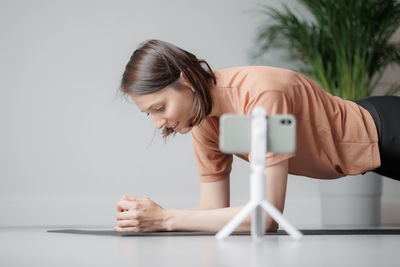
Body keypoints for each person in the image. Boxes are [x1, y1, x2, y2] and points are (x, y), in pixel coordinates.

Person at [114, 39, 400, 233]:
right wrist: (151, 217)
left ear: (186, 80)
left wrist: (165, 219)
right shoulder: (203, 123)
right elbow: (213, 209)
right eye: (148, 114)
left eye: (160, 108)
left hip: (388, 129)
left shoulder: (263, 96)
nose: (156, 123)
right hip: (374, 155)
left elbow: (267, 216)